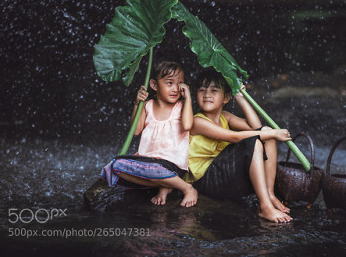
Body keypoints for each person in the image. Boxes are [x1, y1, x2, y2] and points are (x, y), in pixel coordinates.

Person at [185, 69, 293, 222]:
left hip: (222, 173)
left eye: (214, 90)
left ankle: (269, 194)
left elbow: (256, 127)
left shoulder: (225, 117)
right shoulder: (198, 122)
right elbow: (234, 137)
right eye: (202, 90)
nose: (207, 94)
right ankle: (265, 207)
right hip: (205, 181)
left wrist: (240, 97)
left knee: (266, 135)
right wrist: (275, 133)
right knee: (257, 139)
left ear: (226, 98)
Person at [100, 61, 198, 207]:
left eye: (180, 84)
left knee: (157, 170)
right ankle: (163, 185)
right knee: (115, 166)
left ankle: (186, 187)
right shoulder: (147, 106)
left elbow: (187, 125)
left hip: (171, 164)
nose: (176, 89)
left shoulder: (181, 106)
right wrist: (137, 104)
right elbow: (136, 130)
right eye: (169, 83)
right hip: (148, 162)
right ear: (154, 85)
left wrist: (188, 97)